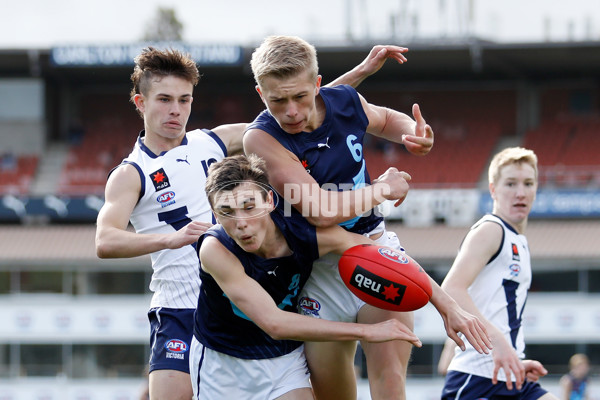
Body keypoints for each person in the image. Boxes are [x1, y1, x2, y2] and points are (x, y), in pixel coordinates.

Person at [95, 45, 416, 400]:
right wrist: (170, 240)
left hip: (251, 295)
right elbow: (105, 241)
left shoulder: (212, 140)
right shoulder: (131, 172)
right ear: (141, 103)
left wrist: (360, 73)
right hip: (181, 304)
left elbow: (289, 112)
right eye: (164, 100)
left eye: (184, 100)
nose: (175, 110)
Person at [243, 35, 492, 400]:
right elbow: (320, 211)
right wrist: (381, 189)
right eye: (278, 100)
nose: (292, 111)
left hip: (374, 247)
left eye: (300, 97)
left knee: (390, 383)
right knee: (333, 394)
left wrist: (413, 134)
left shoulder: (344, 99)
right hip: (316, 270)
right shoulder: (261, 138)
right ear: (261, 94)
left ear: (318, 84)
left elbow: (387, 118)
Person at [191, 154, 422, 399]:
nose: (241, 223)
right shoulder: (215, 249)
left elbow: (380, 255)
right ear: (214, 214)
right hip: (224, 362)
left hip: (284, 360)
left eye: (249, 207)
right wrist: (366, 331)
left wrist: (446, 304)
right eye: (226, 212)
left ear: (269, 201)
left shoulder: (302, 232)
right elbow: (275, 323)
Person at [440, 147, 559, 400]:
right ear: (493, 189)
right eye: (510, 184)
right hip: (477, 379)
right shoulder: (491, 230)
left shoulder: (519, 239)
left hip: (511, 375)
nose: (520, 192)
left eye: (528, 183)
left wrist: (513, 357)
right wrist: (497, 342)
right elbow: (451, 288)